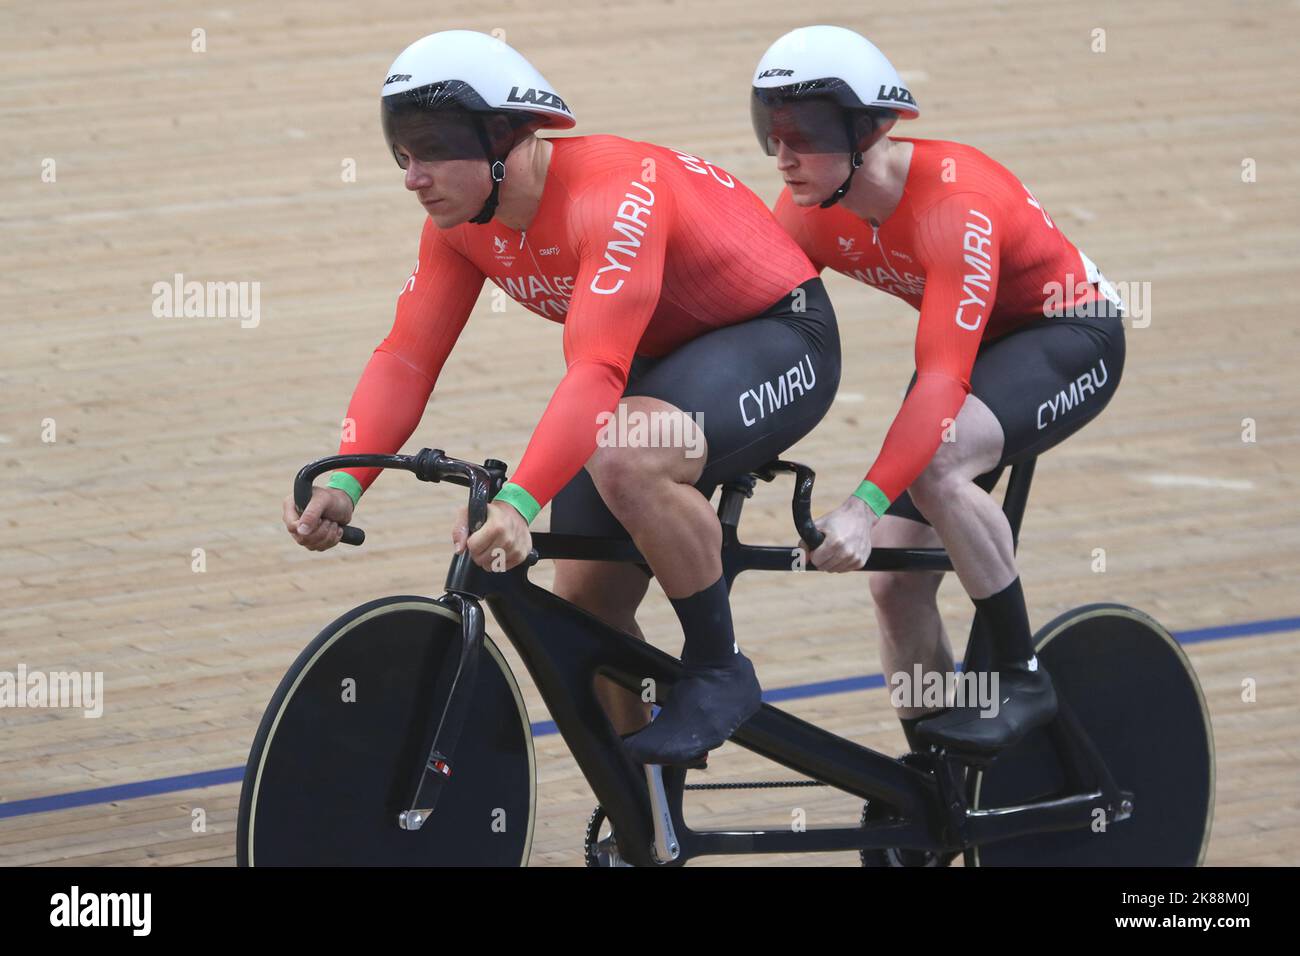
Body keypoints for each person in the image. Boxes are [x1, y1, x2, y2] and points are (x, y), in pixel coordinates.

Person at [282, 30, 841, 766]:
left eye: (432, 147)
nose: (414, 175)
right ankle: (652, 814)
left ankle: (717, 665)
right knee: (587, 610)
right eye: (402, 152)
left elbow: (597, 375)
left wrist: (518, 502)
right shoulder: (460, 226)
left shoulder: (611, 193)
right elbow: (408, 358)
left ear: (506, 137)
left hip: (777, 335)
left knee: (628, 456)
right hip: (661, 363)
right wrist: (349, 481)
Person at [751, 25, 1127, 756]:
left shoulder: (956, 204)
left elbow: (943, 380)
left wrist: (861, 506)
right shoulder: (805, 209)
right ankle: (935, 787)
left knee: (937, 464)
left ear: (869, 131)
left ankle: (1021, 672)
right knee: (894, 583)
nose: (785, 155)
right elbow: (753, 317)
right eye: (771, 131)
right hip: (979, 343)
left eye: (805, 133)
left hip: (1066, 333)